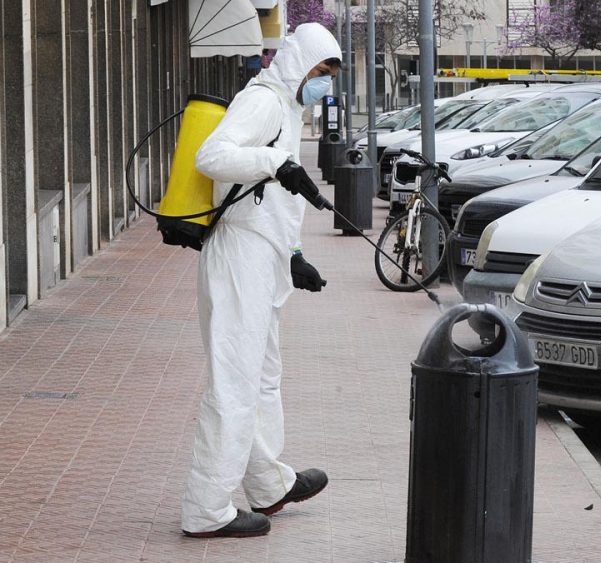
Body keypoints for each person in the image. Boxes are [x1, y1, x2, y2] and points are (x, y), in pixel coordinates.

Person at [181, 23, 343, 539]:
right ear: (298, 64)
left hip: (265, 257)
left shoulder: (289, 110)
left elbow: (275, 198)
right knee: (234, 383)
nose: (324, 86)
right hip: (239, 258)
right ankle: (206, 510)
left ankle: (267, 483)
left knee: (263, 378)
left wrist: (295, 255)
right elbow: (212, 157)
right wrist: (275, 162)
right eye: (320, 73)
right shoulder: (264, 101)